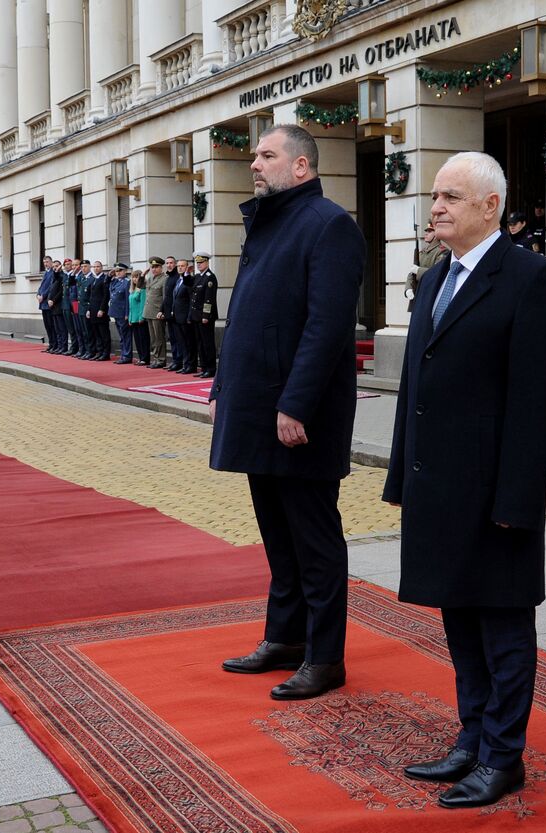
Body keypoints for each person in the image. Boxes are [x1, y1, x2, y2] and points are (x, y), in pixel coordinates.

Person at [383, 151, 546, 809]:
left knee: (502, 626)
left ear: (490, 206)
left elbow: (538, 403)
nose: (436, 207)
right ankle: (470, 737)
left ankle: (502, 756)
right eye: (435, 196)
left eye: (451, 197)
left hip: (496, 496)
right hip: (441, 491)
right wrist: (403, 475)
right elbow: (416, 388)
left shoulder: (532, 279)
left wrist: (518, 499)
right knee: (459, 620)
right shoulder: (436, 280)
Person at [210, 124, 365, 701]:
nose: (255, 164)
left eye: (267, 155)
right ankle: (285, 637)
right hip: (258, 409)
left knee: (314, 540)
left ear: (301, 167)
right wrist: (225, 388)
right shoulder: (270, 222)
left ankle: (325, 657)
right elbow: (253, 316)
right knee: (278, 534)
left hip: (299, 417)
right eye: (255, 154)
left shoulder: (329, 226)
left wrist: (295, 404)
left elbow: (327, 327)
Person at [406, 222, 446, 313]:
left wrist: (418, 270)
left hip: (431, 295)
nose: (426, 233)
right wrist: (408, 288)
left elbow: (437, 273)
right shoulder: (422, 252)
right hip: (419, 294)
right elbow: (412, 272)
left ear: (436, 234)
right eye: (426, 231)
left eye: (430, 231)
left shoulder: (442, 252)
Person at [190, 252, 218, 378]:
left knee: (207, 343)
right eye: (197, 263)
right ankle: (204, 367)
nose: (199, 265)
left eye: (201, 262)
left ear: (207, 262)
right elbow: (187, 283)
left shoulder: (210, 277)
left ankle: (211, 368)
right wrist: (186, 273)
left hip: (204, 316)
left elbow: (209, 299)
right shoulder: (197, 276)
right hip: (196, 315)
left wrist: (206, 315)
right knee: (200, 343)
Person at [171, 259, 196, 374]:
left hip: (185, 317)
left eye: (182, 266)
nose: (180, 268)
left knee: (189, 342)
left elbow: (191, 300)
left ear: (187, 267)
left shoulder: (189, 281)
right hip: (177, 317)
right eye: (179, 266)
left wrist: (189, 316)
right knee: (182, 342)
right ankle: (186, 364)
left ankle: (191, 365)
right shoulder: (178, 281)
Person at [143, 256, 168, 368]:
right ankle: (156, 358)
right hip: (149, 312)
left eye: (156, 267)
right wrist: (143, 275)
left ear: (161, 267)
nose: (154, 269)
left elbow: (165, 297)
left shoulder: (164, 279)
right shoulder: (150, 279)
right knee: (153, 338)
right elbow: (140, 286)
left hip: (157, 311)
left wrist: (162, 311)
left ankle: (161, 359)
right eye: (152, 267)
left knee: (159, 338)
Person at [160, 255, 182, 371]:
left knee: (178, 339)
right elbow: (167, 297)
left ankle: (179, 361)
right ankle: (175, 360)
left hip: (176, 314)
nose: (169, 265)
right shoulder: (168, 278)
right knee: (172, 338)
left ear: (175, 264)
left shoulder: (178, 277)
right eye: (167, 263)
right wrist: (161, 310)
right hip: (168, 313)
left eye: (171, 263)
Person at [86, 260, 111, 360]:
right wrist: (88, 309)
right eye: (94, 267)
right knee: (96, 333)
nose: (96, 268)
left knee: (104, 333)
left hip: (101, 311)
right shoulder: (94, 279)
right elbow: (90, 296)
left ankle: (106, 353)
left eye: (98, 267)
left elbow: (106, 296)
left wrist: (102, 309)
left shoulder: (104, 279)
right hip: (93, 310)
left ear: (101, 268)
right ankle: (99, 352)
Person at [109, 263, 132, 364]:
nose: (118, 273)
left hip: (123, 313)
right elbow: (108, 285)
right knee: (121, 335)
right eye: (116, 271)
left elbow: (127, 299)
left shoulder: (127, 282)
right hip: (116, 312)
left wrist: (127, 313)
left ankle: (127, 355)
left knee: (125, 335)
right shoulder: (115, 281)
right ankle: (123, 354)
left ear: (125, 271)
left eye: (120, 271)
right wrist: (111, 275)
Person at [129, 268, 150, 366]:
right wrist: (130, 318)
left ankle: (145, 358)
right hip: (133, 318)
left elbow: (142, 304)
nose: (134, 279)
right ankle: (141, 357)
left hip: (140, 318)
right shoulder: (132, 290)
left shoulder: (142, 289)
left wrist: (142, 317)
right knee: (137, 340)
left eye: (136, 277)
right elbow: (130, 306)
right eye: (133, 277)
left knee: (143, 339)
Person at [47, 258, 68, 354]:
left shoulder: (62, 276)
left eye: (57, 266)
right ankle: (59, 346)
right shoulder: (55, 276)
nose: (55, 268)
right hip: (52, 306)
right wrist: (48, 300)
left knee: (62, 328)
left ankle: (63, 346)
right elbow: (50, 290)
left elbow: (60, 292)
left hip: (58, 305)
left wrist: (53, 301)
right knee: (57, 328)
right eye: (54, 266)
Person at [75, 259, 94, 359]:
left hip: (87, 308)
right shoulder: (80, 278)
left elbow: (92, 296)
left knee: (88, 331)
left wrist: (89, 309)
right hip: (79, 307)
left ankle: (90, 351)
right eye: (82, 267)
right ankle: (85, 350)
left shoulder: (92, 278)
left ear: (90, 267)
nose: (83, 268)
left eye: (85, 266)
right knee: (82, 330)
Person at [37, 255, 56, 352]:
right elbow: (41, 286)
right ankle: (51, 343)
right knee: (47, 325)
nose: (46, 264)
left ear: (51, 262)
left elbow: (51, 287)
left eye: (47, 262)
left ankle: (55, 344)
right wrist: (38, 294)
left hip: (48, 302)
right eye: (44, 262)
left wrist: (43, 296)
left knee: (52, 325)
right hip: (43, 303)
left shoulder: (53, 273)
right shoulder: (46, 273)